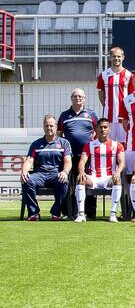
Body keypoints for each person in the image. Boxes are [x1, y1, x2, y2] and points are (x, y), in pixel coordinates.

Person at [20, 115, 72, 221]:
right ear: (43, 127)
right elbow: (29, 160)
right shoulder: (36, 144)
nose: (49, 128)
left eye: (51, 125)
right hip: (40, 174)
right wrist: (24, 172)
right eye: (46, 125)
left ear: (56, 127)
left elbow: (68, 162)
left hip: (55, 174)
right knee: (27, 180)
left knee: (64, 181)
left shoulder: (64, 143)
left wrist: (65, 172)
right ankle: (34, 213)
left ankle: (56, 213)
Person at [74, 118, 125, 223]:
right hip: (93, 178)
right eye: (100, 127)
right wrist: (82, 172)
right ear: (96, 129)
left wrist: (118, 172)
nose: (103, 130)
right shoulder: (89, 145)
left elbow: (122, 162)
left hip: (109, 177)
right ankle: (81, 214)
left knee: (118, 180)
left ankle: (113, 214)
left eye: (105, 127)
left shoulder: (117, 145)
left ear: (109, 129)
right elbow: (82, 161)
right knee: (80, 179)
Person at [57, 88, 98, 218]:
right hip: (70, 157)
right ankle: (68, 212)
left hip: (87, 157)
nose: (78, 98)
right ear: (71, 98)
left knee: (89, 183)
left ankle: (90, 212)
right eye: (75, 96)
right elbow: (59, 135)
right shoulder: (64, 115)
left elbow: (99, 132)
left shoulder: (91, 114)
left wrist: (91, 146)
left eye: (80, 96)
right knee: (68, 185)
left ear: (84, 99)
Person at [97, 46, 134, 143]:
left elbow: (131, 96)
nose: (116, 59)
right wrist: (108, 106)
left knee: (124, 144)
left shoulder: (129, 75)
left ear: (123, 57)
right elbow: (101, 94)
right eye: (114, 56)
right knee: (108, 144)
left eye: (118, 56)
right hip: (109, 118)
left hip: (124, 118)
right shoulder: (104, 75)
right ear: (110, 57)